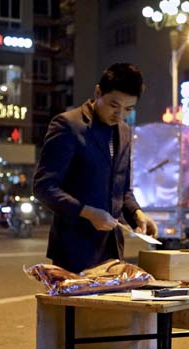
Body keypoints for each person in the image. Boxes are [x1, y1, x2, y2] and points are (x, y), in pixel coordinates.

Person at [33, 62, 158, 273]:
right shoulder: (68, 125)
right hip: (73, 250)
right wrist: (87, 212)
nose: (119, 115)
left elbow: (122, 188)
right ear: (98, 92)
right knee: (78, 307)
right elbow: (43, 187)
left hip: (112, 252)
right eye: (113, 105)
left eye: (128, 109)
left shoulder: (125, 132)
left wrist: (136, 213)